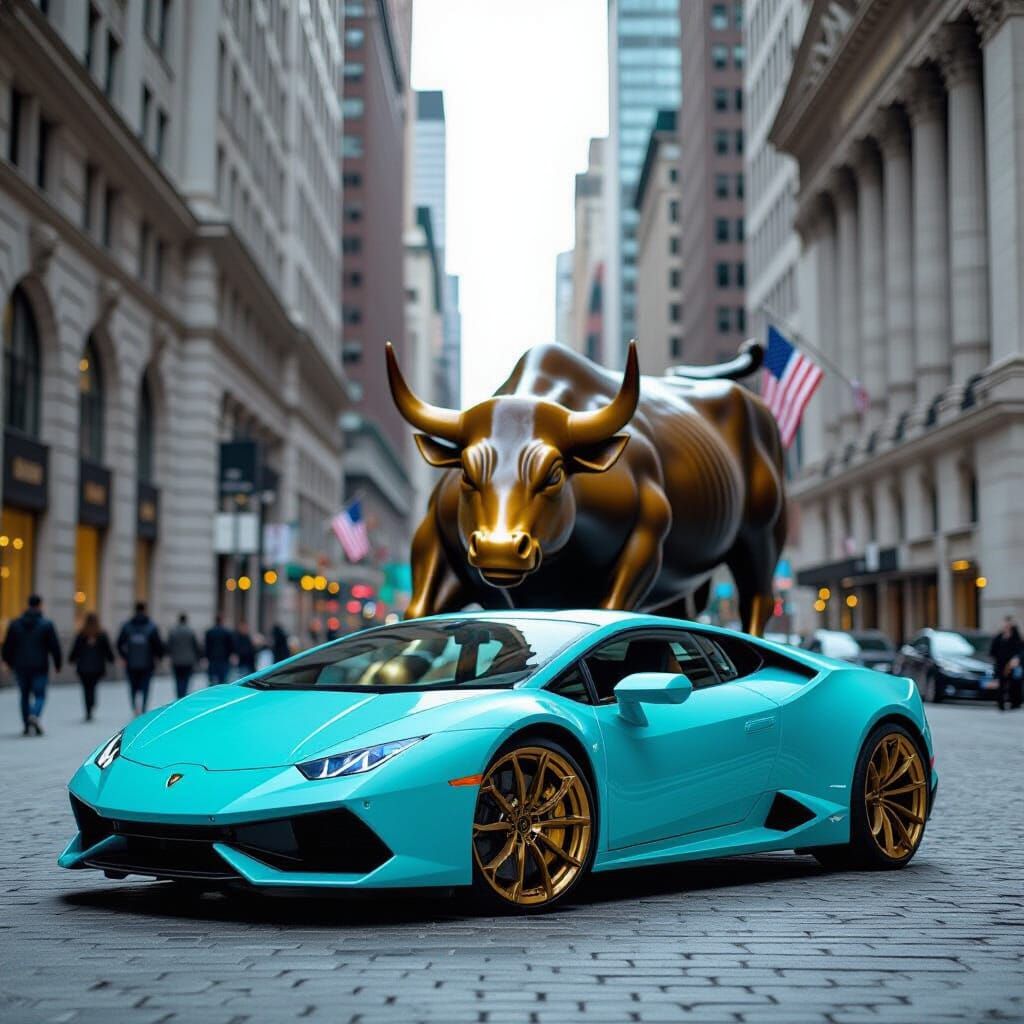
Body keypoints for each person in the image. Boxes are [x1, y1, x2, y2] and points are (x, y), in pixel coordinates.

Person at [2, 594, 62, 736]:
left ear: (27, 605)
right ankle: (34, 714)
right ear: (40, 605)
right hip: (40, 666)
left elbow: (7, 646)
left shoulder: (15, 624)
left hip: (20, 666)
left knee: (24, 695)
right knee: (40, 694)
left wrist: (8, 662)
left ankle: (26, 724)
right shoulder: (46, 624)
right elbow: (54, 647)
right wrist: (58, 664)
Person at [116, 601, 165, 716]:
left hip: (131, 662)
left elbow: (119, 643)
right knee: (146, 686)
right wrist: (158, 657)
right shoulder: (151, 626)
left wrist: (124, 656)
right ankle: (143, 708)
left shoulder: (127, 626)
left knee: (133, 686)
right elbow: (158, 645)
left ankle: (134, 708)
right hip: (147, 663)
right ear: (145, 610)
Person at [69, 612, 115, 721]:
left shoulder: (81, 634)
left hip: (83, 667)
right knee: (93, 687)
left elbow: (75, 650)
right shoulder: (101, 634)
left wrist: (71, 659)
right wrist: (111, 659)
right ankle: (92, 704)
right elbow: (107, 650)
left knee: (86, 689)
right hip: (97, 667)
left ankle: (88, 709)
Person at [989, 617, 1023, 711]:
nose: (1006, 627)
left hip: (1013, 665)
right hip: (1001, 664)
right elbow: (993, 651)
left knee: (1015, 684)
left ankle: (1015, 703)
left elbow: (1021, 650)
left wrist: (1017, 658)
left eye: (1008, 625)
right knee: (1001, 684)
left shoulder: (1016, 637)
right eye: (1005, 625)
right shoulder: (998, 637)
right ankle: (1001, 704)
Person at [166, 612, 202, 700]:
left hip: (176, 660)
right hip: (188, 661)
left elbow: (169, 646)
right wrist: (198, 658)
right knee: (186, 680)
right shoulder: (190, 631)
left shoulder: (173, 631)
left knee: (178, 680)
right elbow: (196, 646)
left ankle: (179, 696)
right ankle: (183, 696)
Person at [204, 614, 234, 685]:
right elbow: (231, 646)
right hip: (224, 658)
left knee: (212, 680)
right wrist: (232, 655)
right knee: (223, 680)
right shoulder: (227, 632)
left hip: (212, 659)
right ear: (222, 621)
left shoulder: (209, 632)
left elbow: (207, 646)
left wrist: (205, 657)